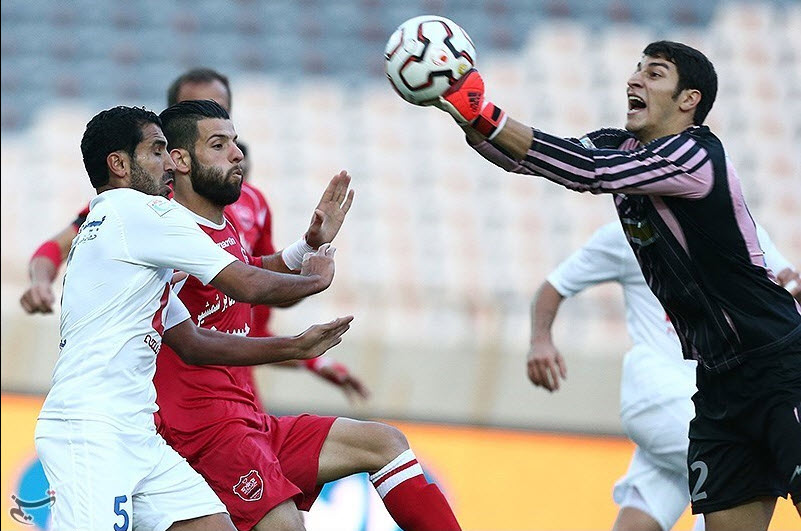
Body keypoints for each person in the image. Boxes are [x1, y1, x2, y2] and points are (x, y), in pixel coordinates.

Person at [428, 40, 801, 529]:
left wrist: (487, 111)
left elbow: (589, 172)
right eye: (636, 70)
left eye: (654, 74)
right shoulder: (619, 145)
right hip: (717, 382)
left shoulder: (696, 154)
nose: (634, 80)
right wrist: (464, 116)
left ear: (688, 100)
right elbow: (531, 159)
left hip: (779, 366)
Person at [33, 105, 351, 530]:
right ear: (119, 164)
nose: (169, 162)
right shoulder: (141, 214)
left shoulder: (127, 237)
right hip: (92, 431)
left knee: (213, 525)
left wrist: (293, 346)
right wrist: (314, 278)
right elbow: (245, 282)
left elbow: (193, 342)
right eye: (157, 150)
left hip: (136, 431)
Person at [155, 99, 460, 531]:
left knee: (383, 443)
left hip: (244, 417)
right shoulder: (164, 231)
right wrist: (311, 283)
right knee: (285, 526)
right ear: (180, 159)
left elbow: (248, 270)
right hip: (200, 427)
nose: (237, 154)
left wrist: (307, 247)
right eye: (219, 144)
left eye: (235, 142)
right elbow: (224, 308)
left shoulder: (224, 225)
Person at [20, 67, 367, 401]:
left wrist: (310, 248)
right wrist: (40, 281)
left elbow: (259, 286)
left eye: (220, 109)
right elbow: (56, 246)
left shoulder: (250, 202)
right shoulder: (144, 206)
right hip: (168, 389)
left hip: (234, 379)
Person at [528, 221, 800, 531]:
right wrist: (540, 340)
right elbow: (556, 284)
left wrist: (788, 289)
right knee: (743, 472)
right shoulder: (628, 232)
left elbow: (789, 284)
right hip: (659, 391)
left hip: (705, 400)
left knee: (643, 516)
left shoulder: (736, 222)